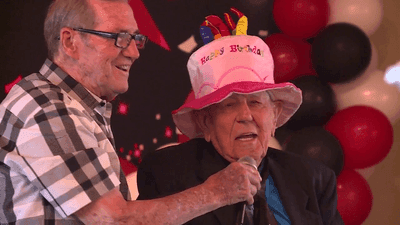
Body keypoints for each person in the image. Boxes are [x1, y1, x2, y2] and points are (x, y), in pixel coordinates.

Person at [0, 0, 263, 224]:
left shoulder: (73, 105)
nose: (134, 52)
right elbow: (115, 220)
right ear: (70, 41)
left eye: (136, 38)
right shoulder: (49, 109)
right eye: (119, 38)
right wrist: (218, 192)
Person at [137, 11, 344, 225]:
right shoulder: (165, 172)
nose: (246, 116)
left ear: (275, 115)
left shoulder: (315, 179)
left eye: (255, 102)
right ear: (206, 122)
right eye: (229, 105)